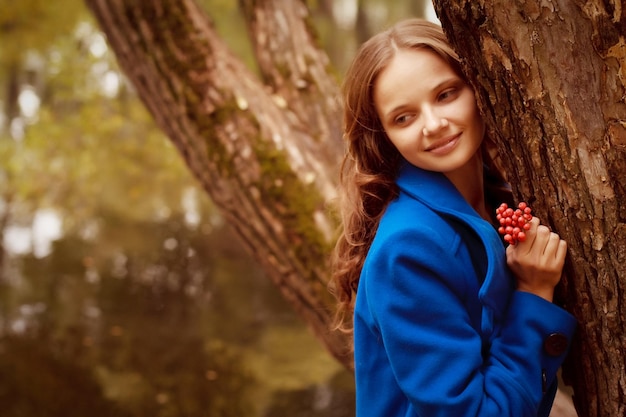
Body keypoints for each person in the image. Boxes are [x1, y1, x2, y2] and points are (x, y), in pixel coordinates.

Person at [331, 18, 577, 417]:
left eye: (446, 94)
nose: (434, 124)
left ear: (478, 86)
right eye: (404, 118)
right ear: (385, 136)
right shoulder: (408, 250)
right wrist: (533, 291)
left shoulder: (500, 195)